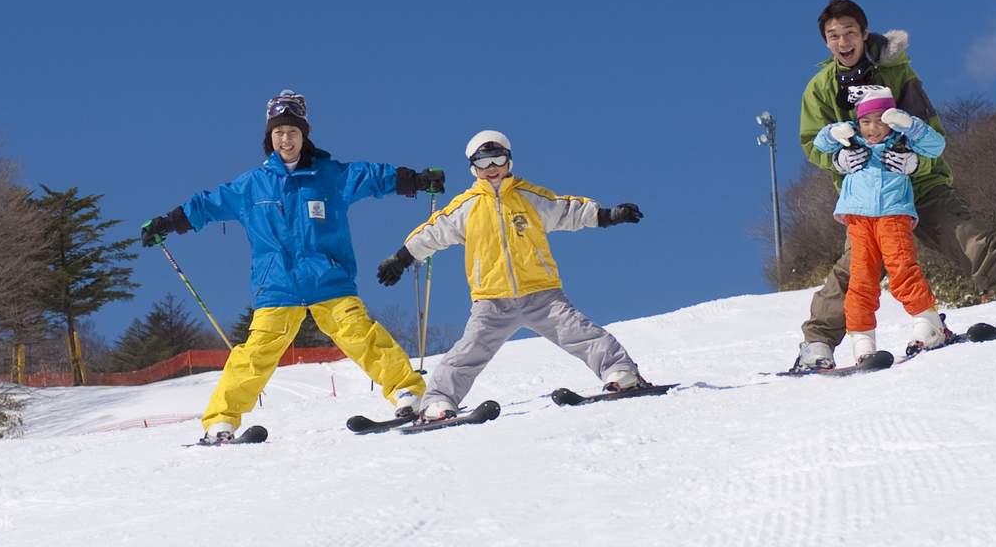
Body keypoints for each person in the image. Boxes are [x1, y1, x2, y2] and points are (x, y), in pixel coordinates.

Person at [140, 89, 444, 443]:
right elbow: (207, 205)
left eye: (293, 132)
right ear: (270, 138)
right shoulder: (252, 185)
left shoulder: (328, 175)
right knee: (254, 356)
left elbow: (372, 177)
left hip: (328, 278)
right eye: (279, 132)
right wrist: (167, 223)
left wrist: (416, 180)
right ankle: (220, 421)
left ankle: (407, 392)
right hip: (277, 286)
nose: (287, 139)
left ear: (304, 135)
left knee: (361, 336)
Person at [795, 0, 996, 370]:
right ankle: (817, 345)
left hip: (918, 184)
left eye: (850, 33)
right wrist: (837, 158)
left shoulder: (897, 73)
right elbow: (812, 141)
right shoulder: (821, 89)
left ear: (864, 31)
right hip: (872, 198)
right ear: (826, 41)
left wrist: (914, 162)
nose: (843, 42)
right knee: (856, 270)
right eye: (834, 36)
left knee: (964, 235)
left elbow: (932, 133)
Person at [375, 130, 647, 421]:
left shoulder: (529, 197)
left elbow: (567, 210)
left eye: (498, 159)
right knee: (468, 352)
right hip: (491, 301)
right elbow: (432, 232)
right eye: (483, 162)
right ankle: (438, 402)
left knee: (579, 333)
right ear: (473, 168)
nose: (492, 168)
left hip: (541, 294)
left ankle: (621, 372)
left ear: (509, 161)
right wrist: (401, 259)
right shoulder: (465, 208)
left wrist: (608, 216)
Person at [812, 86, 946, 362]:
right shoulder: (851, 141)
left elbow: (937, 146)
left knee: (901, 269)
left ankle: (928, 323)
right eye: (865, 121)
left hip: (893, 215)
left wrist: (910, 125)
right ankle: (862, 340)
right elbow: (819, 145)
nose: (873, 129)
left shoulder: (901, 140)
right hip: (859, 220)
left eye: (880, 120)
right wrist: (834, 134)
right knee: (860, 279)